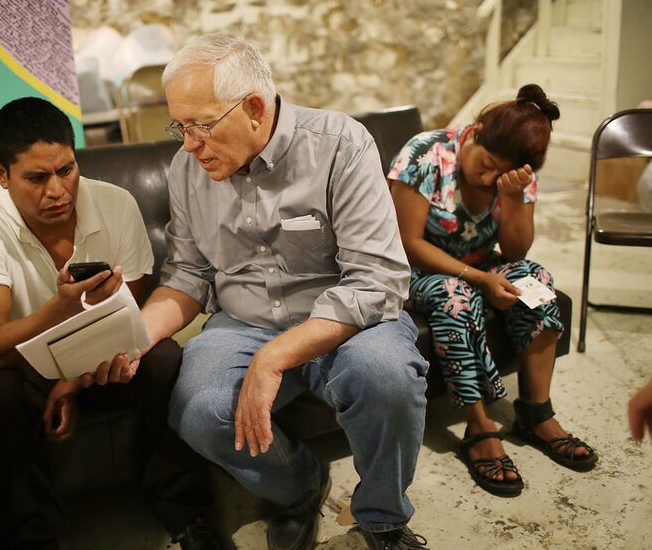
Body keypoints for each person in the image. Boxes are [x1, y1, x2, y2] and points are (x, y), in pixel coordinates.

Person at [137, 34, 430, 550]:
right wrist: (133, 336)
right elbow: (188, 273)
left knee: (386, 377)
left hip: (345, 318)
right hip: (243, 323)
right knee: (198, 411)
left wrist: (274, 358)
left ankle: (383, 517)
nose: (188, 144)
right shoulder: (188, 169)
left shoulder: (340, 143)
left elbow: (376, 279)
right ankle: (298, 487)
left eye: (200, 126)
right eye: (178, 126)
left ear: (253, 107)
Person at [0, 97, 219, 549]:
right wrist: (62, 306)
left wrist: (73, 382)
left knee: (166, 358)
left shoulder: (115, 204)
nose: (58, 191)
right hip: (26, 367)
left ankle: (186, 511)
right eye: (36, 178)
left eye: (67, 170)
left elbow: (126, 314)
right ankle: (32, 535)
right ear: (1, 173)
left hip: (104, 352)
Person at [388, 84, 598, 497]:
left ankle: (536, 412)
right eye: (485, 163)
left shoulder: (516, 177)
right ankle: (480, 428)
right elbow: (407, 242)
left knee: (538, 286)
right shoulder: (425, 154)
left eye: (497, 172)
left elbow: (517, 250)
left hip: (481, 265)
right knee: (456, 295)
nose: (486, 176)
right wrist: (478, 279)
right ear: (477, 129)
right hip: (412, 270)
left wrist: (514, 196)